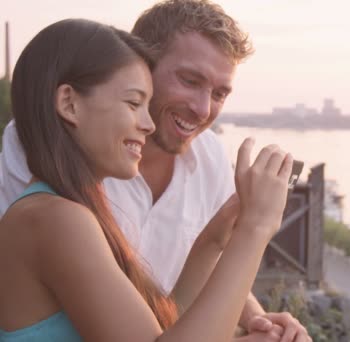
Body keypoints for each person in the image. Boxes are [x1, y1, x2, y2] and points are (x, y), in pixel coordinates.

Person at [0, 1, 311, 341]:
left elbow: (165, 315)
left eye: (220, 93)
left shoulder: (77, 208)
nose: (146, 124)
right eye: (135, 102)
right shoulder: (55, 215)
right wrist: (255, 228)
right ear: (70, 105)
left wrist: (218, 240)